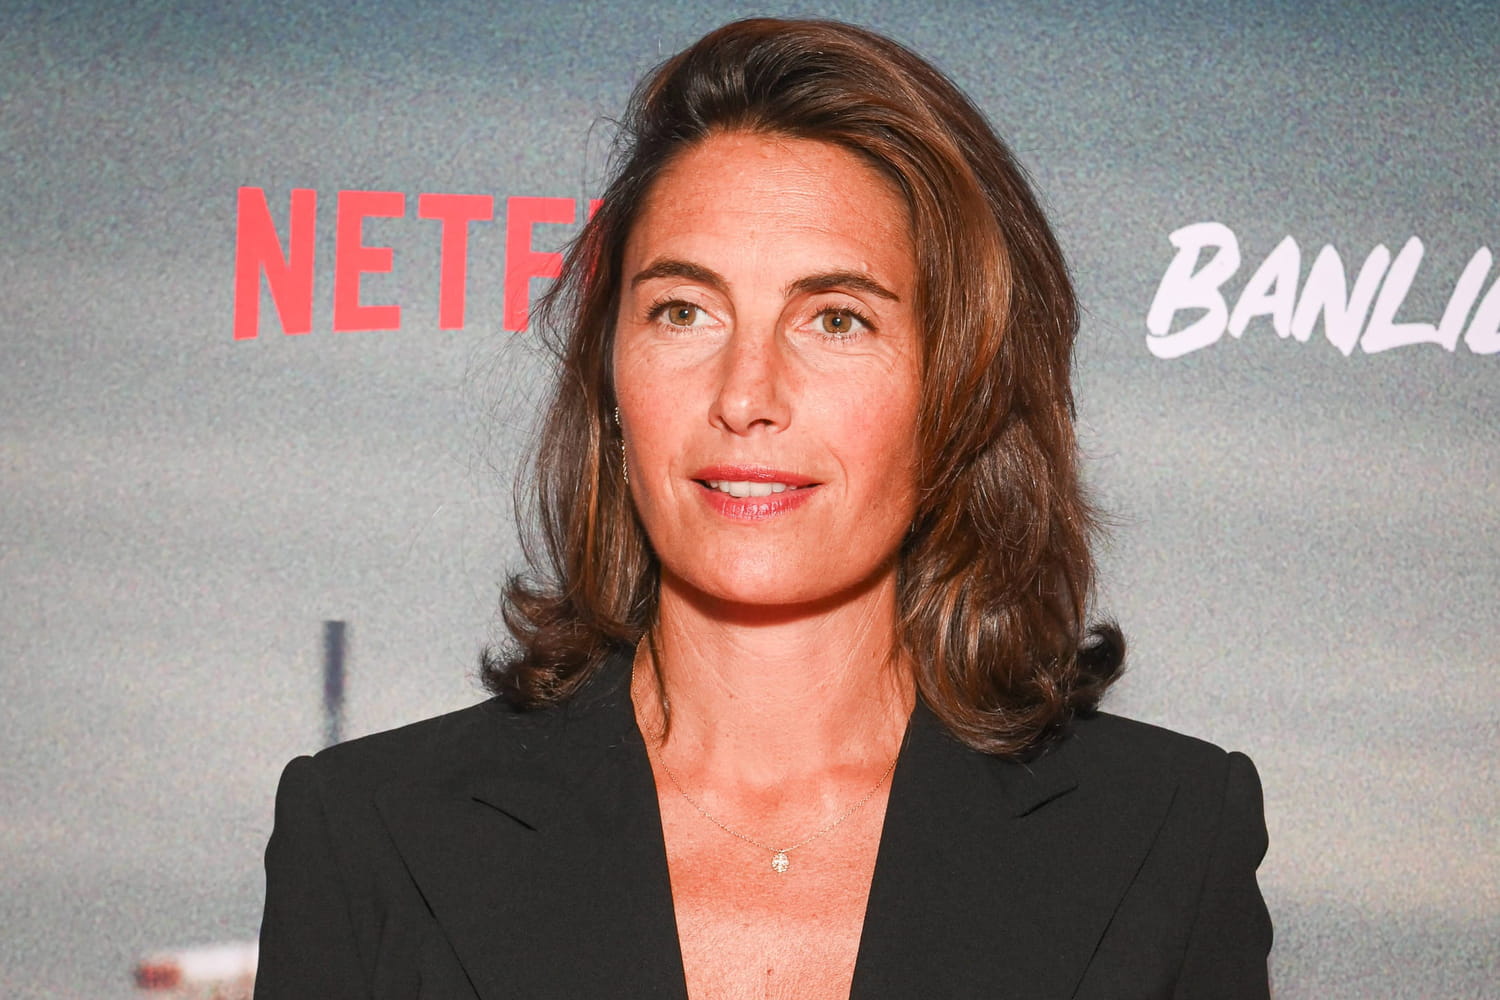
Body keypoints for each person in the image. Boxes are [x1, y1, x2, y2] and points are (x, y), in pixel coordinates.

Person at [255, 17, 1272, 999]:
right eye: (683, 311)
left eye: (837, 319)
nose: (746, 395)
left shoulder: (1168, 838)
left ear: (961, 390)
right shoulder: (369, 837)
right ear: (610, 381)